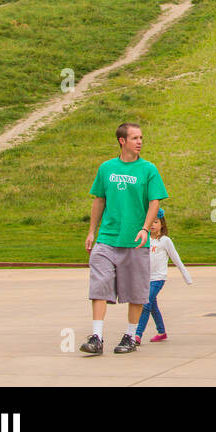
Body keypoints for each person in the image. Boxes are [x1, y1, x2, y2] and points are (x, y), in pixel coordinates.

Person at [81, 123, 168, 355]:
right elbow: (99, 200)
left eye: (141, 138)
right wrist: (92, 231)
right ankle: (97, 338)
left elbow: (155, 202)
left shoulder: (148, 170)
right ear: (122, 141)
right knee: (99, 286)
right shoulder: (107, 168)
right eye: (135, 138)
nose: (139, 142)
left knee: (135, 291)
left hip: (135, 241)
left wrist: (145, 228)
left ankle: (130, 336)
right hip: (106, 239)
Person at [136, 208, 193, 344]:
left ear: (162, 223)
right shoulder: (146, 240)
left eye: (156, 222)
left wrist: (186, 277)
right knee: (152, 306)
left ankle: (137, 335)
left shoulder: (165, 241)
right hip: (145, 279)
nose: (153, 225)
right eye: (150, 222)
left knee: (146, 303)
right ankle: (161, 332)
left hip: (158, 278)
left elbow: (176, 259)